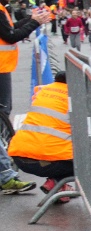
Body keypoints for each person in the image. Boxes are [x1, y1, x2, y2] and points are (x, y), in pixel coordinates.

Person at [7, 71, 75, 201]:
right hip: (45, 163)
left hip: (18, 158)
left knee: (59, 147)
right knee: (88, 161)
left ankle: (58, 185)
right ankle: (56, 183)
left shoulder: (43, 92)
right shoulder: (74, 98)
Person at [0, 0, 51, 122]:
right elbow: (11, 36)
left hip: (3, 65)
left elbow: (9, 28)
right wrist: (35, 23)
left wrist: (31, 19)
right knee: (4, 109)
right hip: (1, 66)